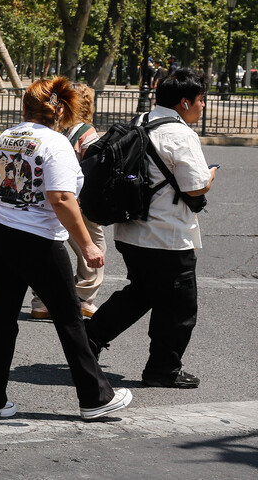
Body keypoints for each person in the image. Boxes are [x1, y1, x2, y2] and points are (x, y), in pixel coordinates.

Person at [0, 77, 132, 421]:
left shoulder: (7, 136)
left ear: (25, 107)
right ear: (59, 112)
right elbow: (61, 198)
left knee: (1, 316)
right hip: (36, 239)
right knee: (70, 319)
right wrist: (86, 244)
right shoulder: (56, 144)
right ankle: (95, 397)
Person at [85, 69, 216, 389]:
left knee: (141, 292)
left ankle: (86, 341)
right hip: (167, 237)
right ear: (184, 102)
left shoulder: (140, 121)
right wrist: (212, 174)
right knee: (179, 306)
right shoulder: (181, 135)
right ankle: (163, 368)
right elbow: (196, 187)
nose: (203, 107)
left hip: (131, 232)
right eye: (201, 101)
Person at [30, 84, 102, 319]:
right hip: (75, 201)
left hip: (46, 201)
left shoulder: (52, 128)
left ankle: (41, 301)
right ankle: (82, 298)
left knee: (50, 252)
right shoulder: (86, 132)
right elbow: (93, 168)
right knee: (93, 248)